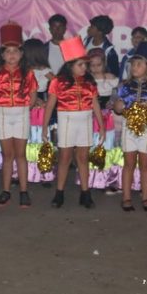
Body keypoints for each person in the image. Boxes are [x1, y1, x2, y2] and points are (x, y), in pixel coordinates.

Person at [42, 37, 105, 209]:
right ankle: (59, 193)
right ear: (70, 65)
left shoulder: (89, 82)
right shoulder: (58, 82)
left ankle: (86, 193)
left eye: (85, 64)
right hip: (66, 120)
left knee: (83, 158)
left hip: (85, 121)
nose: (85, 68)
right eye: (80, 64)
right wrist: (44, 126)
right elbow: (50, 105)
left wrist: (101, 126)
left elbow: (95, 104)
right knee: (64, 158)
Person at [0, 23, 37, 207]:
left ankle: (24, 191)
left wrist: (27, 107)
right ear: (2, 55)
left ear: (21, 54)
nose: (11, 55)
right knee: (7, 155)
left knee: (20, 154)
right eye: (8, 51)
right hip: (2, 113)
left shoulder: (28, 73)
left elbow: (33, 92)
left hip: (21, 112)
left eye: (15, 51)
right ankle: (6, 191)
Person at [112, 41, 147, 211]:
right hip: (129, 128)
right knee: (128, 163)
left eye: (139, 64)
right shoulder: (124, 87)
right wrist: (118, 106)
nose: (135, 67)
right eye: (133, 64)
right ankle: (126, 197)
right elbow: (116, 106)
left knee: (145, 164)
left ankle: (146, 197)